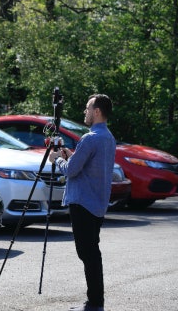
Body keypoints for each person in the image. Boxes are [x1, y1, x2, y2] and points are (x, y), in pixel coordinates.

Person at [49, 94, 116, 311]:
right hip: (97, 202)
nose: (85, 112)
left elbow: (71, 170)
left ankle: (95, 302)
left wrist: (57, 159)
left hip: (83, 203)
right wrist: (71, 155)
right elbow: (86, 164)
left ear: (97, 111)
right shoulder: (108, 137)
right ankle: (96, 300)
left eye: (88, 108)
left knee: (87, 253)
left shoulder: (90, 138)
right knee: (91, 251)